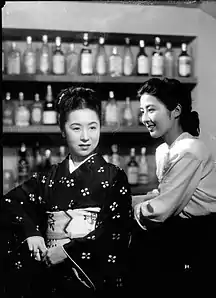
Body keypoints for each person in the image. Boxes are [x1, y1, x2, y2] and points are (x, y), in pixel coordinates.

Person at [0, 87, 133, 298]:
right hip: (50, 276)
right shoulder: (48, 177)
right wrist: (31, 231)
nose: (85, 137)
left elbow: (114, 229)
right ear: (63, 130)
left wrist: (66, 252)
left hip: (89, 277)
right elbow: (11, 202)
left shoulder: (113, 176)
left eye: (92, 127)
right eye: (76, 128)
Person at [131, 78, 216, 298]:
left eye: (151, 110)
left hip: (206, 237)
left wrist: (127, 207)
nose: (145, 119)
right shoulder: (164, 151)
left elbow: (161, 209)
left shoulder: (190, 149)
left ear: (176, 110)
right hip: (183, 233)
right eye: (142, 111)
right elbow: (164, 194)